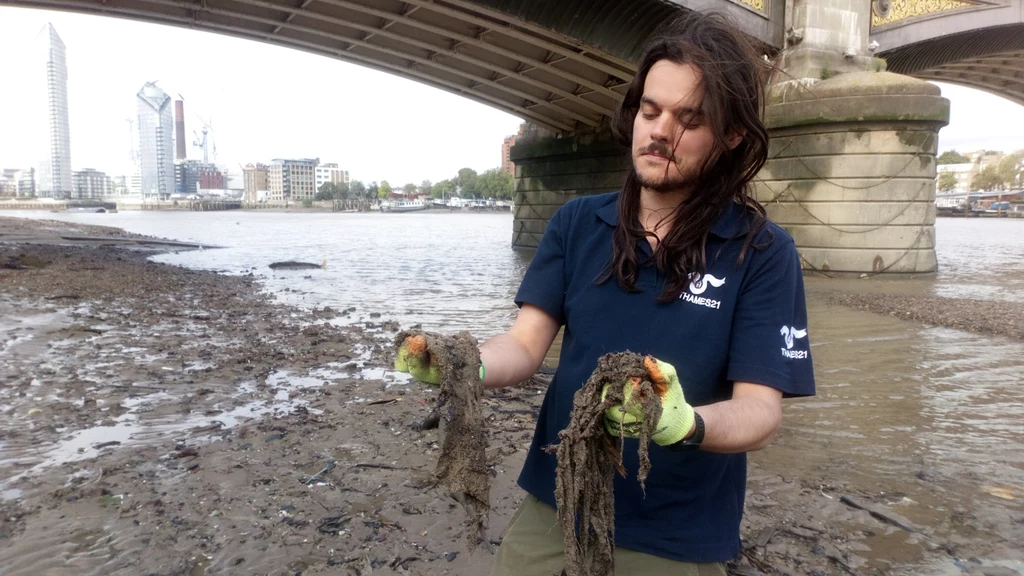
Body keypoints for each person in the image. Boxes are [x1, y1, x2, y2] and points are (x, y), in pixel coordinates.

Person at [395, 11, 815, 576]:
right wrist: (459, 363)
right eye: (650, 110)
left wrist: (683, 423)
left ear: (732, 135)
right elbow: (524, 347)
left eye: (689, 119)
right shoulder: (577, 223)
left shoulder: (762, 251)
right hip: (557, 499)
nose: (660, 131)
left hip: (675, 530)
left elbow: (760, 414)